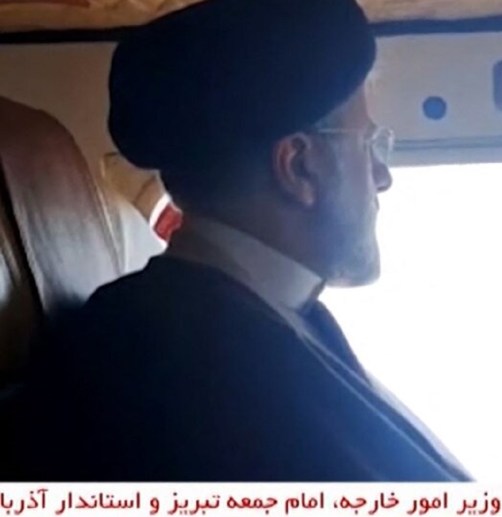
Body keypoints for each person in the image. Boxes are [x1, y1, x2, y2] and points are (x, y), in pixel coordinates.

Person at [4, 0, 471, 481]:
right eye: (369, 146)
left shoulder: (265, 315)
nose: (382, 176)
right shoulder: (167, 363)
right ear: (300, 167)